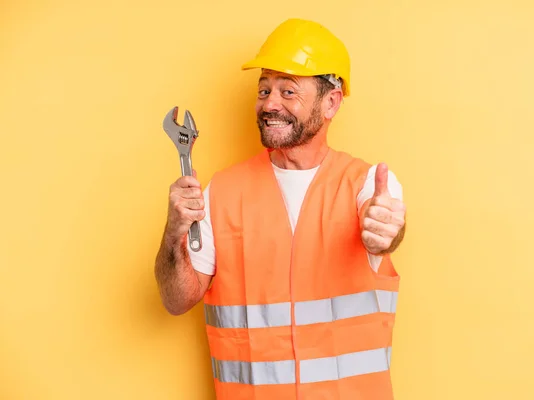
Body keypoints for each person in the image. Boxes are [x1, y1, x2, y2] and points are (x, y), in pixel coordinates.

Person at [154, 18, 406, 400]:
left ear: (331, 102)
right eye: (264, 89)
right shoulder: (222, 191)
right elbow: (176, 300)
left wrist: (386, 231)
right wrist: (174, 231)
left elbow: (385, 228)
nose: (269, 103)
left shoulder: (367, 185)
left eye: (288, 91)